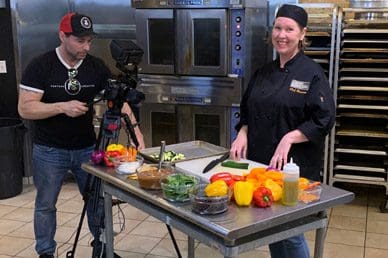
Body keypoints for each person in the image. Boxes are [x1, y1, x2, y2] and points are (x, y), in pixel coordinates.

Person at [18, 12, 144, 258]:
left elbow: (119, 100)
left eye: (89, 41)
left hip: (88, 148)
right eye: (80, 41)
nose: (86, 47)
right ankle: (45, 251)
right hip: (49, 150)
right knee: (45, 205)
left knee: (97, 200)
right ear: (62, 36)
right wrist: (62, 107)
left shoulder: (95, 66)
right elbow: (25, 108)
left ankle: (102, 246)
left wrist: (136, 132)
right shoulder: (40, 66)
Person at [230, 4, 335, 258]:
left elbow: (325, 118)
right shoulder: (263, 72)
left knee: (291, 231)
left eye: (289, 29)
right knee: (271, 229)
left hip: (293, 169)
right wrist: (242, 132)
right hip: (262, 165)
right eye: (278, 28)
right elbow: (247, 110)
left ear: (302, 34)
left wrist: (290, 137)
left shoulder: (311, 73)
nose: (282, 35)